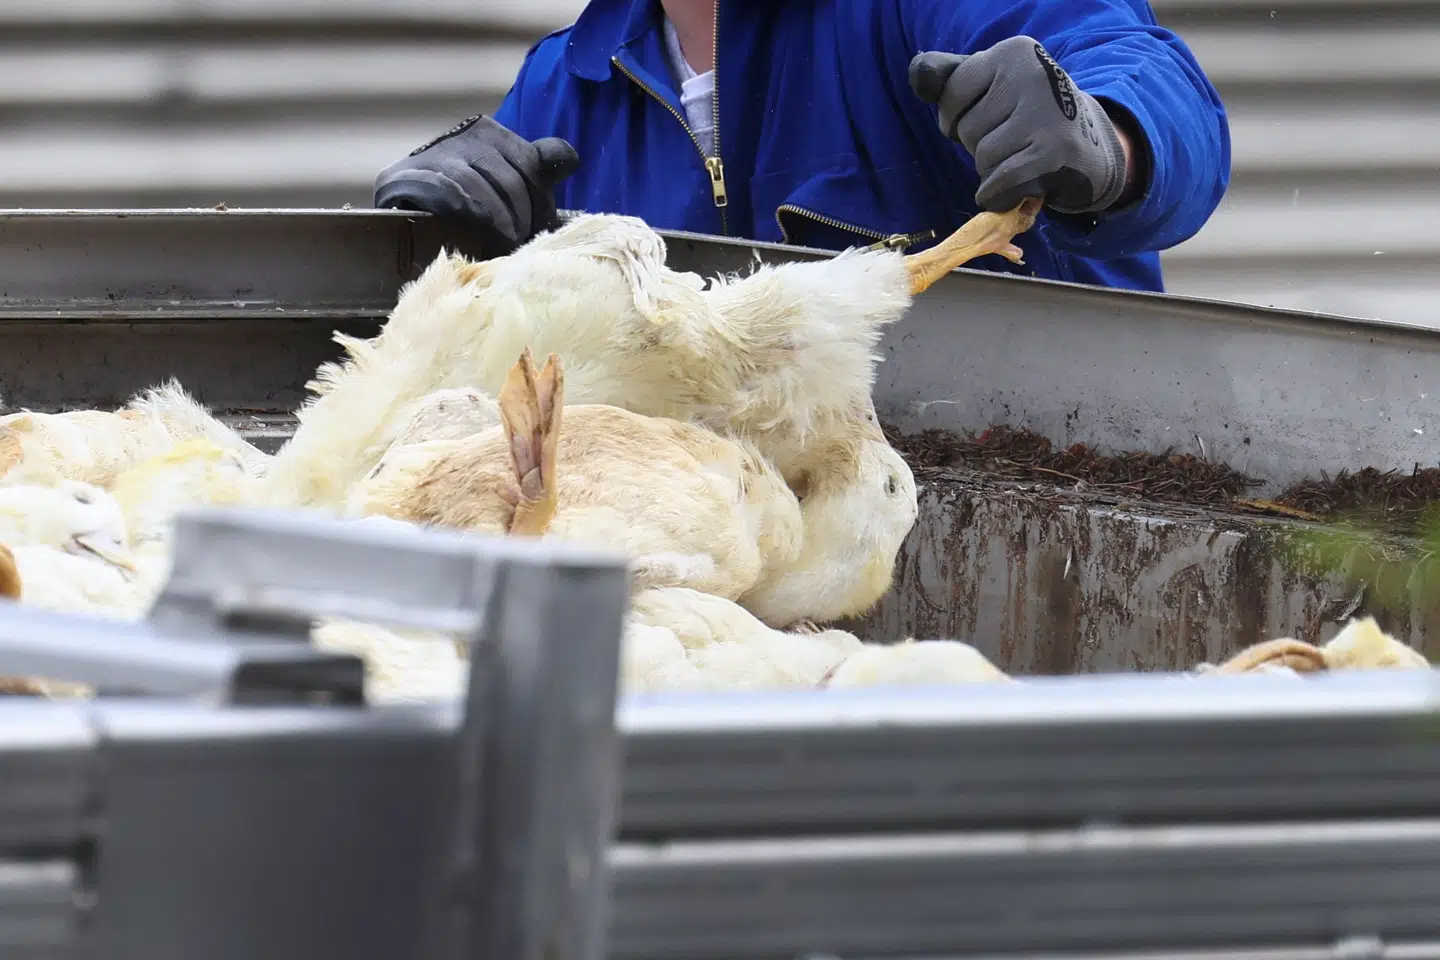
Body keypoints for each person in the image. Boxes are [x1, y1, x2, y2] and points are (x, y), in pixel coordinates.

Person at [373, 0, 1230, 293]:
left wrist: (1107, 140)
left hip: (1034, 539)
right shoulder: (563, 84)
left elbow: (1144, 75)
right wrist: (428, 243)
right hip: (728, 593)